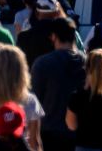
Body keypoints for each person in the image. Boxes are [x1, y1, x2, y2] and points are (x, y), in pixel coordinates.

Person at [31, 18, 85, 151]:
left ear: (54, 36)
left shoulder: (42, 63)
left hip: (50, 131)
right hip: (82, 132)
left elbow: (35, 101)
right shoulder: (88, 62)